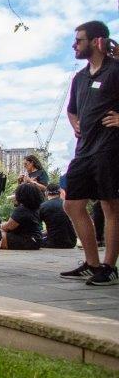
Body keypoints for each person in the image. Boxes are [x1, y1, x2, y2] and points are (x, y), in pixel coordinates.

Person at [60, 20, 119, 286]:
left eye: (79, 40)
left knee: (110, 205)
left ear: (97, 41)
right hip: (84, 150)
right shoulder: (80, 78)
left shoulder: (115, 70)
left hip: (109, 148)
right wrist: (75, 124)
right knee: (72, 204)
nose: (74, 45)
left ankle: (109, 267)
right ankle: (92, 264)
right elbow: (71, 110)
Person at [0, 183, 44, 250]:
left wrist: (0, 226)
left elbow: (9, 226)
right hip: (36, 240)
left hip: (28, 240)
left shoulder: (22, 209)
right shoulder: (34, 209)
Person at [40, 183, 77, 249]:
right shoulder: (68, 205)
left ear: (46, 193)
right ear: (60, 192)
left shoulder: (43, 206)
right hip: (71, 242)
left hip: (52, 242)